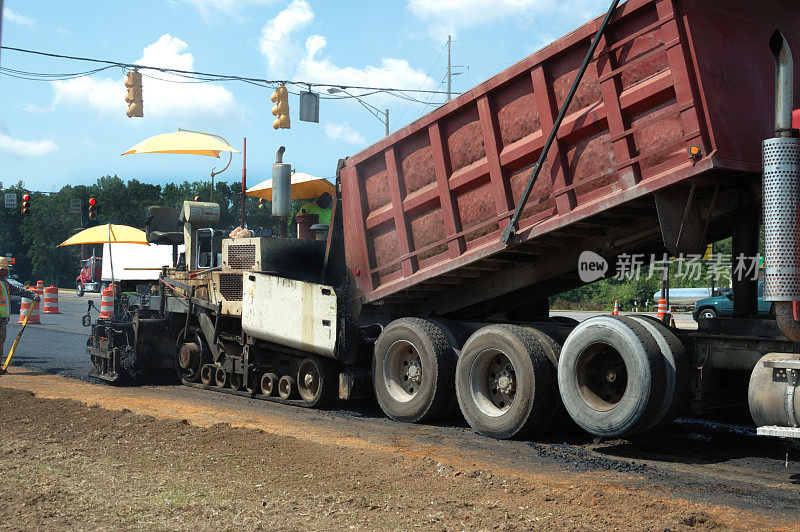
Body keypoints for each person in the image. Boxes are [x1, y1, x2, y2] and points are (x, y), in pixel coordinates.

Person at [0, 257, 39, 355]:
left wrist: (32, 295)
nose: (6, 272)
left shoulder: (4, 283)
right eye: (5, 269)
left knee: (1, 341)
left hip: (2, 319)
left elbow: (17, 290)